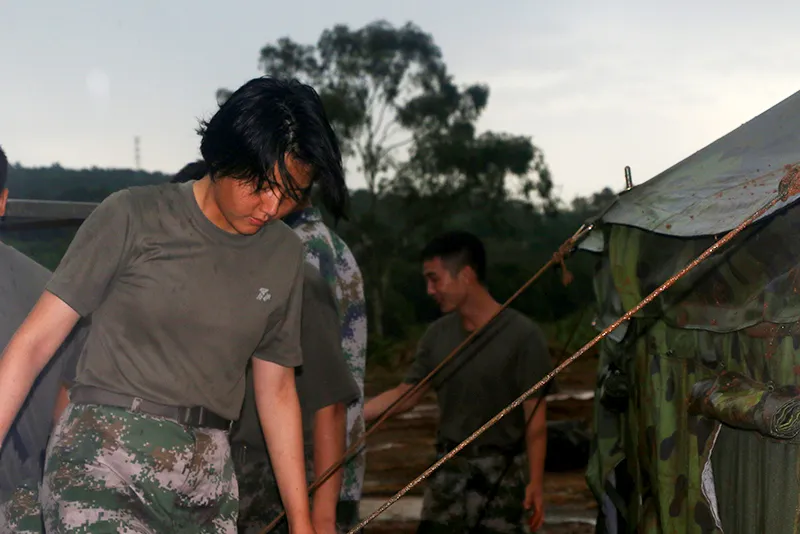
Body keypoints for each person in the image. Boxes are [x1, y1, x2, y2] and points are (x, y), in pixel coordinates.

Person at [0, 76, 344, 533]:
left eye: (291, 193)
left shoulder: (284, 256)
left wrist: (303, 525)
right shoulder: (132, 216)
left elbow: (277, 389)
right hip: (101, 462)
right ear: (222, 157)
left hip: (206, 482)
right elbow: (34, 344)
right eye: (261, 185)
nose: (271, 205)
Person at [364, 231, 552, 533]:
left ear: (465, 275)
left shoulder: (523, 336)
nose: (429, 290)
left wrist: (536, 483)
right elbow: (407, 394)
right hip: (448, 473)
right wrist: (353, 416)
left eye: (434, 279)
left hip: (502, 475)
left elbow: (536, 422)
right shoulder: (436, 336)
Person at [232, 262, 359, 534]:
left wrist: (323, 518)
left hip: (281, 479)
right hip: (224, 473)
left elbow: (330, 403)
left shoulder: (299, 282)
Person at [0, 144, 87, 534]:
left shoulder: (51, 299)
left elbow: (67, 403)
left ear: (2, 201)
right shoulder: (53, 293)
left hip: (18, 503)